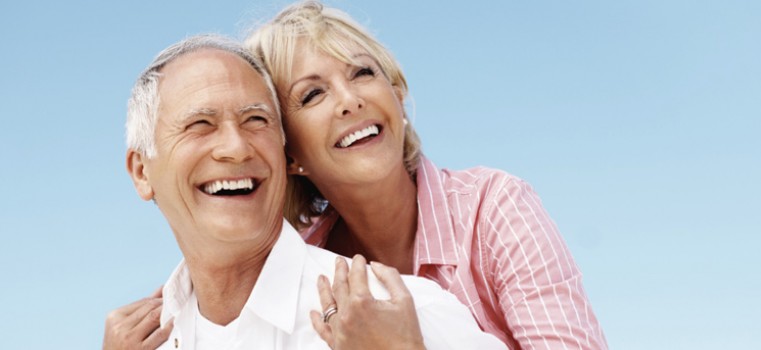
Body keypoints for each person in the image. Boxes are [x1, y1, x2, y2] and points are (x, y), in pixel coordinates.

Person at [243, 2, 608, 349]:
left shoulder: (493, 208)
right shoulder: (297, 272)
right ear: (287, 154)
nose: (349, 100)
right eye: (312, 94)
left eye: (363, 73)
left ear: (397, 95)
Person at [106, 34, 505, 350]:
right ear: (142, 173)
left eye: (256, 119)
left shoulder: (403, 311)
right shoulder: (141, 342)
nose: (236, 147)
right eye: (201, 125)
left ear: (284, 152)